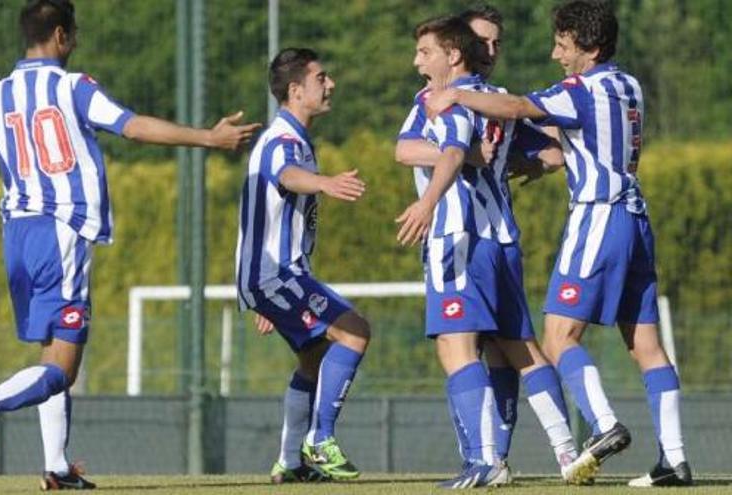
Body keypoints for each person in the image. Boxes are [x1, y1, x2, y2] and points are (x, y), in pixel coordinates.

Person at [0, 0, 259, 490]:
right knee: (64, 368)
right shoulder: (73, 88)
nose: (76, 40)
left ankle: (56, 467)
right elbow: (132, 127)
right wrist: (208, 139)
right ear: (60, 36)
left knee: (51, 353)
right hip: (62, 231)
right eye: (74, 32)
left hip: (17, 237)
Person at [425, 0, 692, 487]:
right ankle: (673, 460)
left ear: (589, 49)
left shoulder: (582, 89)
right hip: (636, 217)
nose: (555, 55)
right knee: (648, 346)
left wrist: (458, 98)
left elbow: (517, 107)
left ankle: (603, 425)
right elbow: (560, 138)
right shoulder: (628, 84)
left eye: (563, 46)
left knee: (557, 337)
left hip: (597, 215)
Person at [395, 5, 586, 484]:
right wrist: (514, 163)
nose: (491, 49)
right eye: (486, 41)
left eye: (424, 52)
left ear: (451, 52)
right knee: (517, 348)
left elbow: (445, 149)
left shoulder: (443, 99)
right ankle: (567, 451)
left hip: (460, 237)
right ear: (468, 44)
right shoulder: (499, 99)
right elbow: (549, 151)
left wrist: (430, 198)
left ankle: (485, 462)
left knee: (455, 347)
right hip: (503, 239)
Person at [235, 47, 371, 483]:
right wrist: (326, 183)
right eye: (321, 78)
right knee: (354, 331)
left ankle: (291, 462)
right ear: (296, 91)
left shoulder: (296, 139)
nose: (330, 84)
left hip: (274, 276)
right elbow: (286, 176)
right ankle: (321, 439)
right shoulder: (282, 141)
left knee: (314, 358)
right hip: (277, 275)